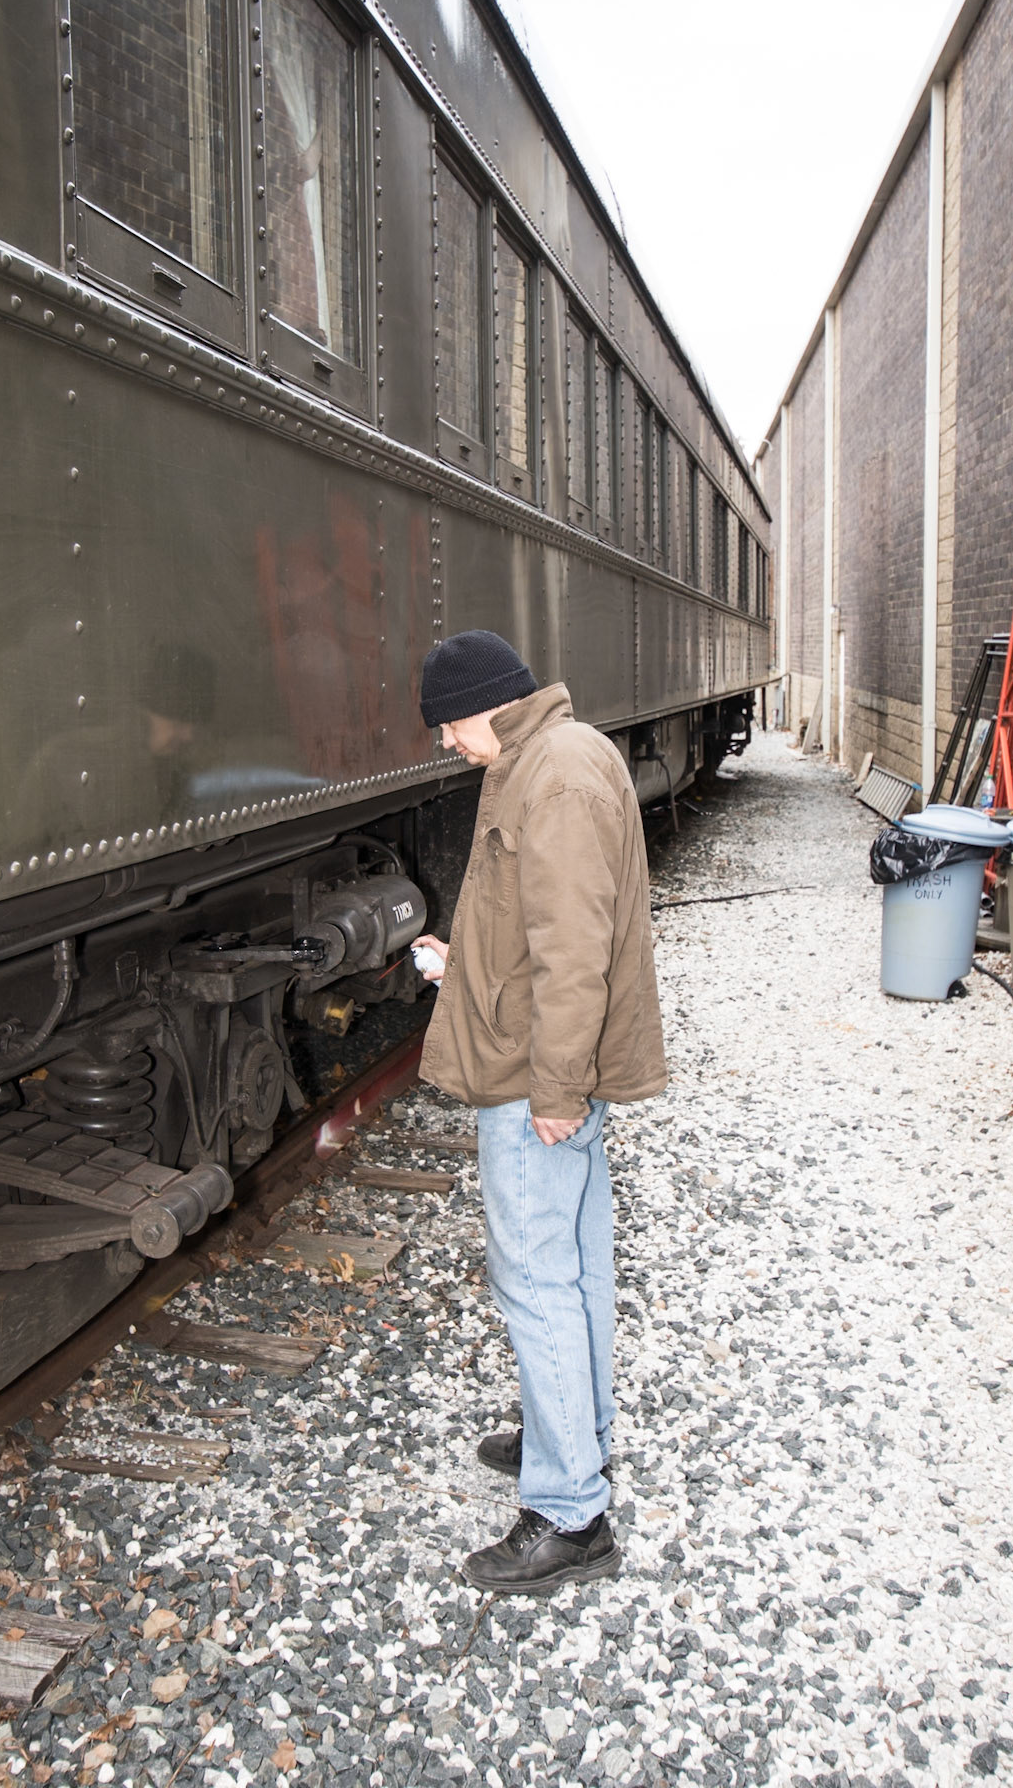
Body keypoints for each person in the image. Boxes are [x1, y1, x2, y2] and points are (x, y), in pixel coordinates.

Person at [412, 630, 666, 1595]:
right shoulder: (561, 751)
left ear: (483, 707)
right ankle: (574, 1433)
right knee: (578, 1262)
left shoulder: (549, 779)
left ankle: (568, 1513)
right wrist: (457, 964)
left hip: (532, 1079)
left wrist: (556, 1090)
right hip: (543, 1060)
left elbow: (572, 952)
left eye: (446, 727)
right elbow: (528, 927)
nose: (445, 744)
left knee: (536, 1278)